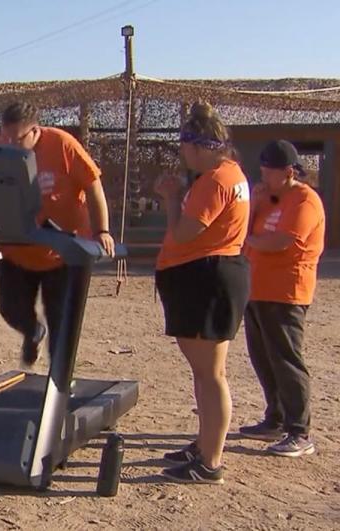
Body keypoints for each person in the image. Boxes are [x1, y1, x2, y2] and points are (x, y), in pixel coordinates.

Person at [154, 101, 250, 484]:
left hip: (207, 277)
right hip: (207, 275)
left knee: (210, 375)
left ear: (201, 145)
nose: (183, 155)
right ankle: (204, 444)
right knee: (207, 373)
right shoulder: (228, 174)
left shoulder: (216, 180)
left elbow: (184, 232)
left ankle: (210, 461)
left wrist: (171, 198)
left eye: (185, 147)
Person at [0, 102, 115, 366]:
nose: (10, 144)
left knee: (62, 323)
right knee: (9, 308)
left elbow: (94, 187)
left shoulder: (62, 145)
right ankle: (33, 332)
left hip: (62, 253)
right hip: (16, 250)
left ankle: (60, 384)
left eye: (17, 139)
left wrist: (102, 230)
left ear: (35, 131)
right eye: (6, 137)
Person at [239, 140, 325, 457]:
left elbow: (282, 241)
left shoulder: (305, 200)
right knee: (263, 358)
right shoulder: (269, 199)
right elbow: (247, 230)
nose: (263, 176)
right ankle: (274, 418)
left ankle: (299, 431)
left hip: (287, 292)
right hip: (257, 290)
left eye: (268, 172)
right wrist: (255, 205)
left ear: (288, 172)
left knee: (287, 360)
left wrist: (248, 240)